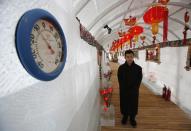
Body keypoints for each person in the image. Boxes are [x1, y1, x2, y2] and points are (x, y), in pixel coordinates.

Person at [117, 50, 143, 128]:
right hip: (124, 90)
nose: (129, 58)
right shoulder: (121, 68)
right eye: (127, 57)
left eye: (131, 57)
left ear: (133, 57)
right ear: (125, 57)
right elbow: (120, 79)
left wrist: (134, 88)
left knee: (133, 104)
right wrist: (123, 88)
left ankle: (132, 118)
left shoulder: (138, 68)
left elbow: (139, 80)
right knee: (124, 103)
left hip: (134, 91)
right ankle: (125, 116)